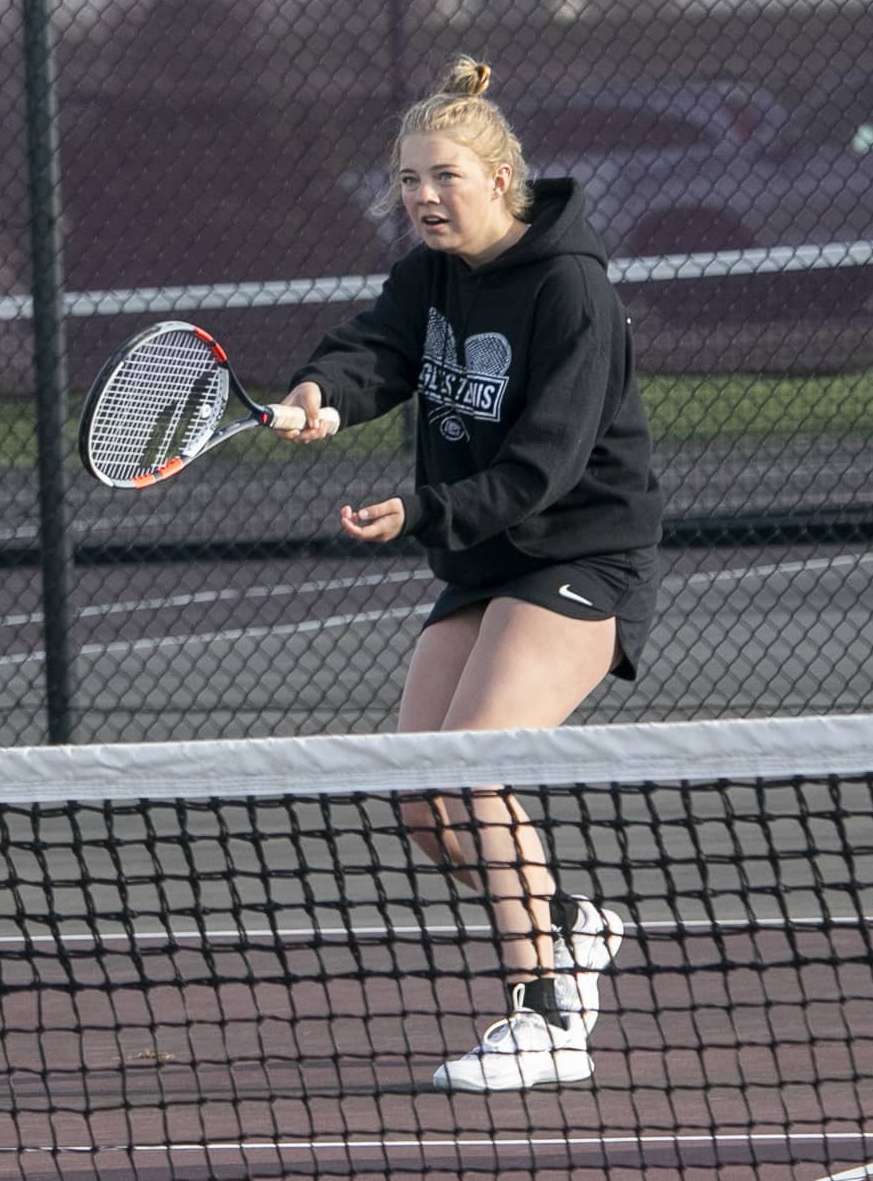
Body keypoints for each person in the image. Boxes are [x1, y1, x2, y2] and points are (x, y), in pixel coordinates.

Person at [276, 55, 663, 1092]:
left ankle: (545, 1017)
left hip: (581, 550)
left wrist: (422, 510)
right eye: (408, 180)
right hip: (485, 556)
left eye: (443, 177)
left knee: (473, 762)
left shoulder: (573, 290)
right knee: (420, 798)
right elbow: (377, 351)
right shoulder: (428, 275)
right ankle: (571, 923)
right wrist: (322, 392)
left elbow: (547, 463)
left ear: (502, 180)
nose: (421, 198)